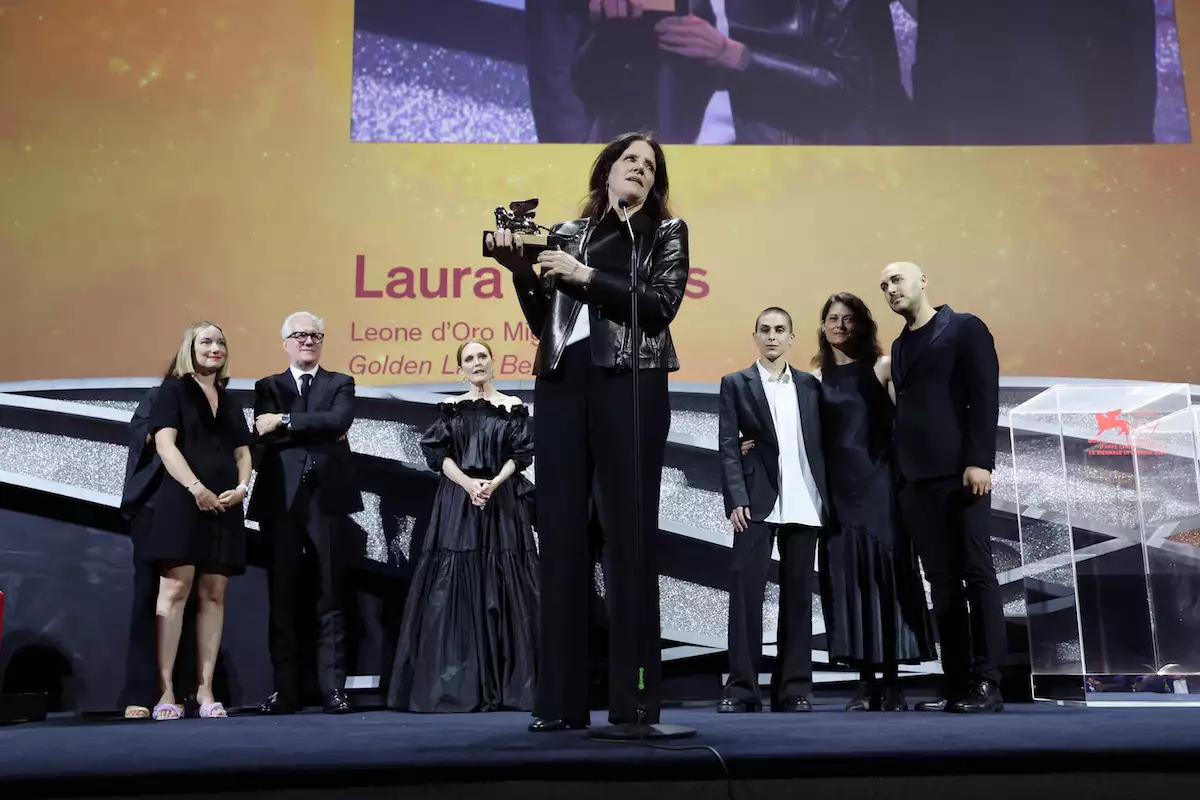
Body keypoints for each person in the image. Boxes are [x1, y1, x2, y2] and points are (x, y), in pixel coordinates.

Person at [485, 130, 689, 732]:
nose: (640, 169)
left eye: (650, 165)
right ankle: (559, 702)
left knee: (628, 541)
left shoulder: (664, 232)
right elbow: (543, 321)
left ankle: (636, 699)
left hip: (630, 382)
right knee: (562, 540)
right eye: (630, 159)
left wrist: (585, 275)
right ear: (606, 170)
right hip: (561, 384)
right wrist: (520, 272)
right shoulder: (567, 232)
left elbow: (661, 304)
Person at [880, 261, 1005, 713]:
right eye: (884, 285)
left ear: (922, 280)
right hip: (915, 482)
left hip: (960, 475)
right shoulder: (898, 345)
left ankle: (988, 682)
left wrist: (979, 460)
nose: (890, 289)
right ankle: (956, 683)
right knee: (942, 584)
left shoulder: (965, 328)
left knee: (977, 574)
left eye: (896, 279)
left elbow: (984, 396)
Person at [388, 340, 538, 713]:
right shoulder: (451, 409)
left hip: (502, 502)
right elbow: (438, 455)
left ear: (493, 362)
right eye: (469, 358)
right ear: (460, 369)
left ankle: (511, 686)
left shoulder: (513, 407)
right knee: (457, 581)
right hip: (458, 501)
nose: (476, 362)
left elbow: (520, 455)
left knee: (506, 579)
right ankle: (461, 685)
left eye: (482, 356)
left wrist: (493, 483)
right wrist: (470, 484)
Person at [808, 292, 936, 711]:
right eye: (833, 318)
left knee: (888, 580)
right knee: (849, 584)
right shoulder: (813, 377)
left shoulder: (882, 366)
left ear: (863, 325)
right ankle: (865, 684)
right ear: (822, 326)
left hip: (881, 488)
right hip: (836, 493)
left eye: (849, 318)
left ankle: (893, 682)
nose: (840, 325)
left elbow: (912, 421)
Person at [716, 307, 830, 713]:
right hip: (755, 501)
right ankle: (741, 690)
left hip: (804, 499)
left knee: (798, 599)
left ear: (791, 338)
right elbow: (727, 444)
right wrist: (736, 497)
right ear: (755, 336)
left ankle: (793, 690)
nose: (772, 337)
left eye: (780, 330)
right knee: (745, 595)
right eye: (765, 330)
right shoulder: (735, 383)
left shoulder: (810, 385)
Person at [250, 311, 361, 715]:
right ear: (286, 343)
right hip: (280, 498)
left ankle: (333, 689)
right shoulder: (268, 385)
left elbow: (339, 419)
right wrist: (319, 427)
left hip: (327, 499)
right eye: (299, 335)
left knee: (330, 594)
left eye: (315, 334)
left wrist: (285, 420)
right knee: (282, 594)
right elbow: (263, 434)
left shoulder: (340, 382)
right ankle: (285, 691)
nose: (308, 340)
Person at [145, 321, 252, 720]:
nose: (214, 347)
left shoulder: (229, 399)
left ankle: (206, 692)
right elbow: (165, 444)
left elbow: (243, 453)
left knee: (214, 594)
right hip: (182, 500)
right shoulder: (172, 390)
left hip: (224, 505)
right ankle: (166, 692)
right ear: (190, 348)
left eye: (220, 341)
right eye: (206, 341)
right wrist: (195, 488)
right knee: (175, 591)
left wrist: (242, 488)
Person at [651, 1, 872, 144]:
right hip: (678, 169)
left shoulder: (806, 7)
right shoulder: (657, 6)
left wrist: (742, 59)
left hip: (772, 172)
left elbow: (850, 90)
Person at [117, 386, 163, 720]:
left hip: (198, 508)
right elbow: (143, 439)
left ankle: (180, 689)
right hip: (154, 506)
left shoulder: (216, 399)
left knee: (193, 598)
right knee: (148, 595)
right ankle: (141, 691)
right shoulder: (157, 397)